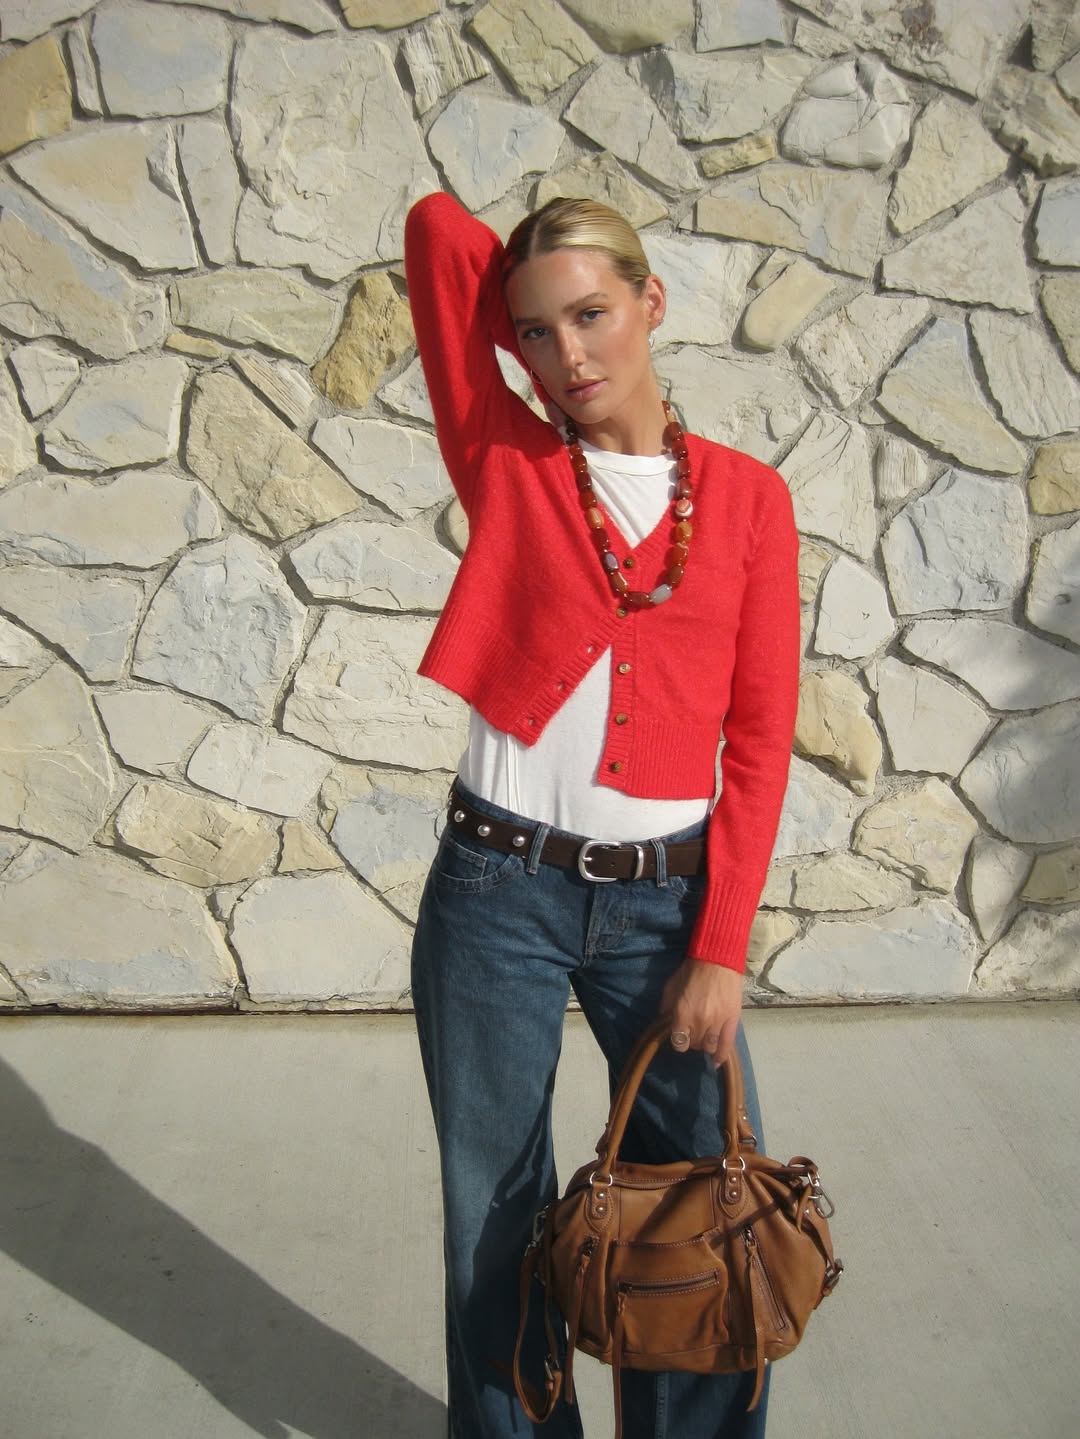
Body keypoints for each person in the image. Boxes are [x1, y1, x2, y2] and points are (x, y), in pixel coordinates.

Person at [403, 188, 800, 1439]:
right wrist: (527, 264)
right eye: (533, 332)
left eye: (591, 314)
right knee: (498, 1209)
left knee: (703, 1199)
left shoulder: (747, 503)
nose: (566, 356)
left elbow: (761, 735)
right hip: (494, 894)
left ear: (652, 305)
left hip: (669, 904)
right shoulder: (509, 462)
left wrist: (721, 942)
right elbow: (431, 234)